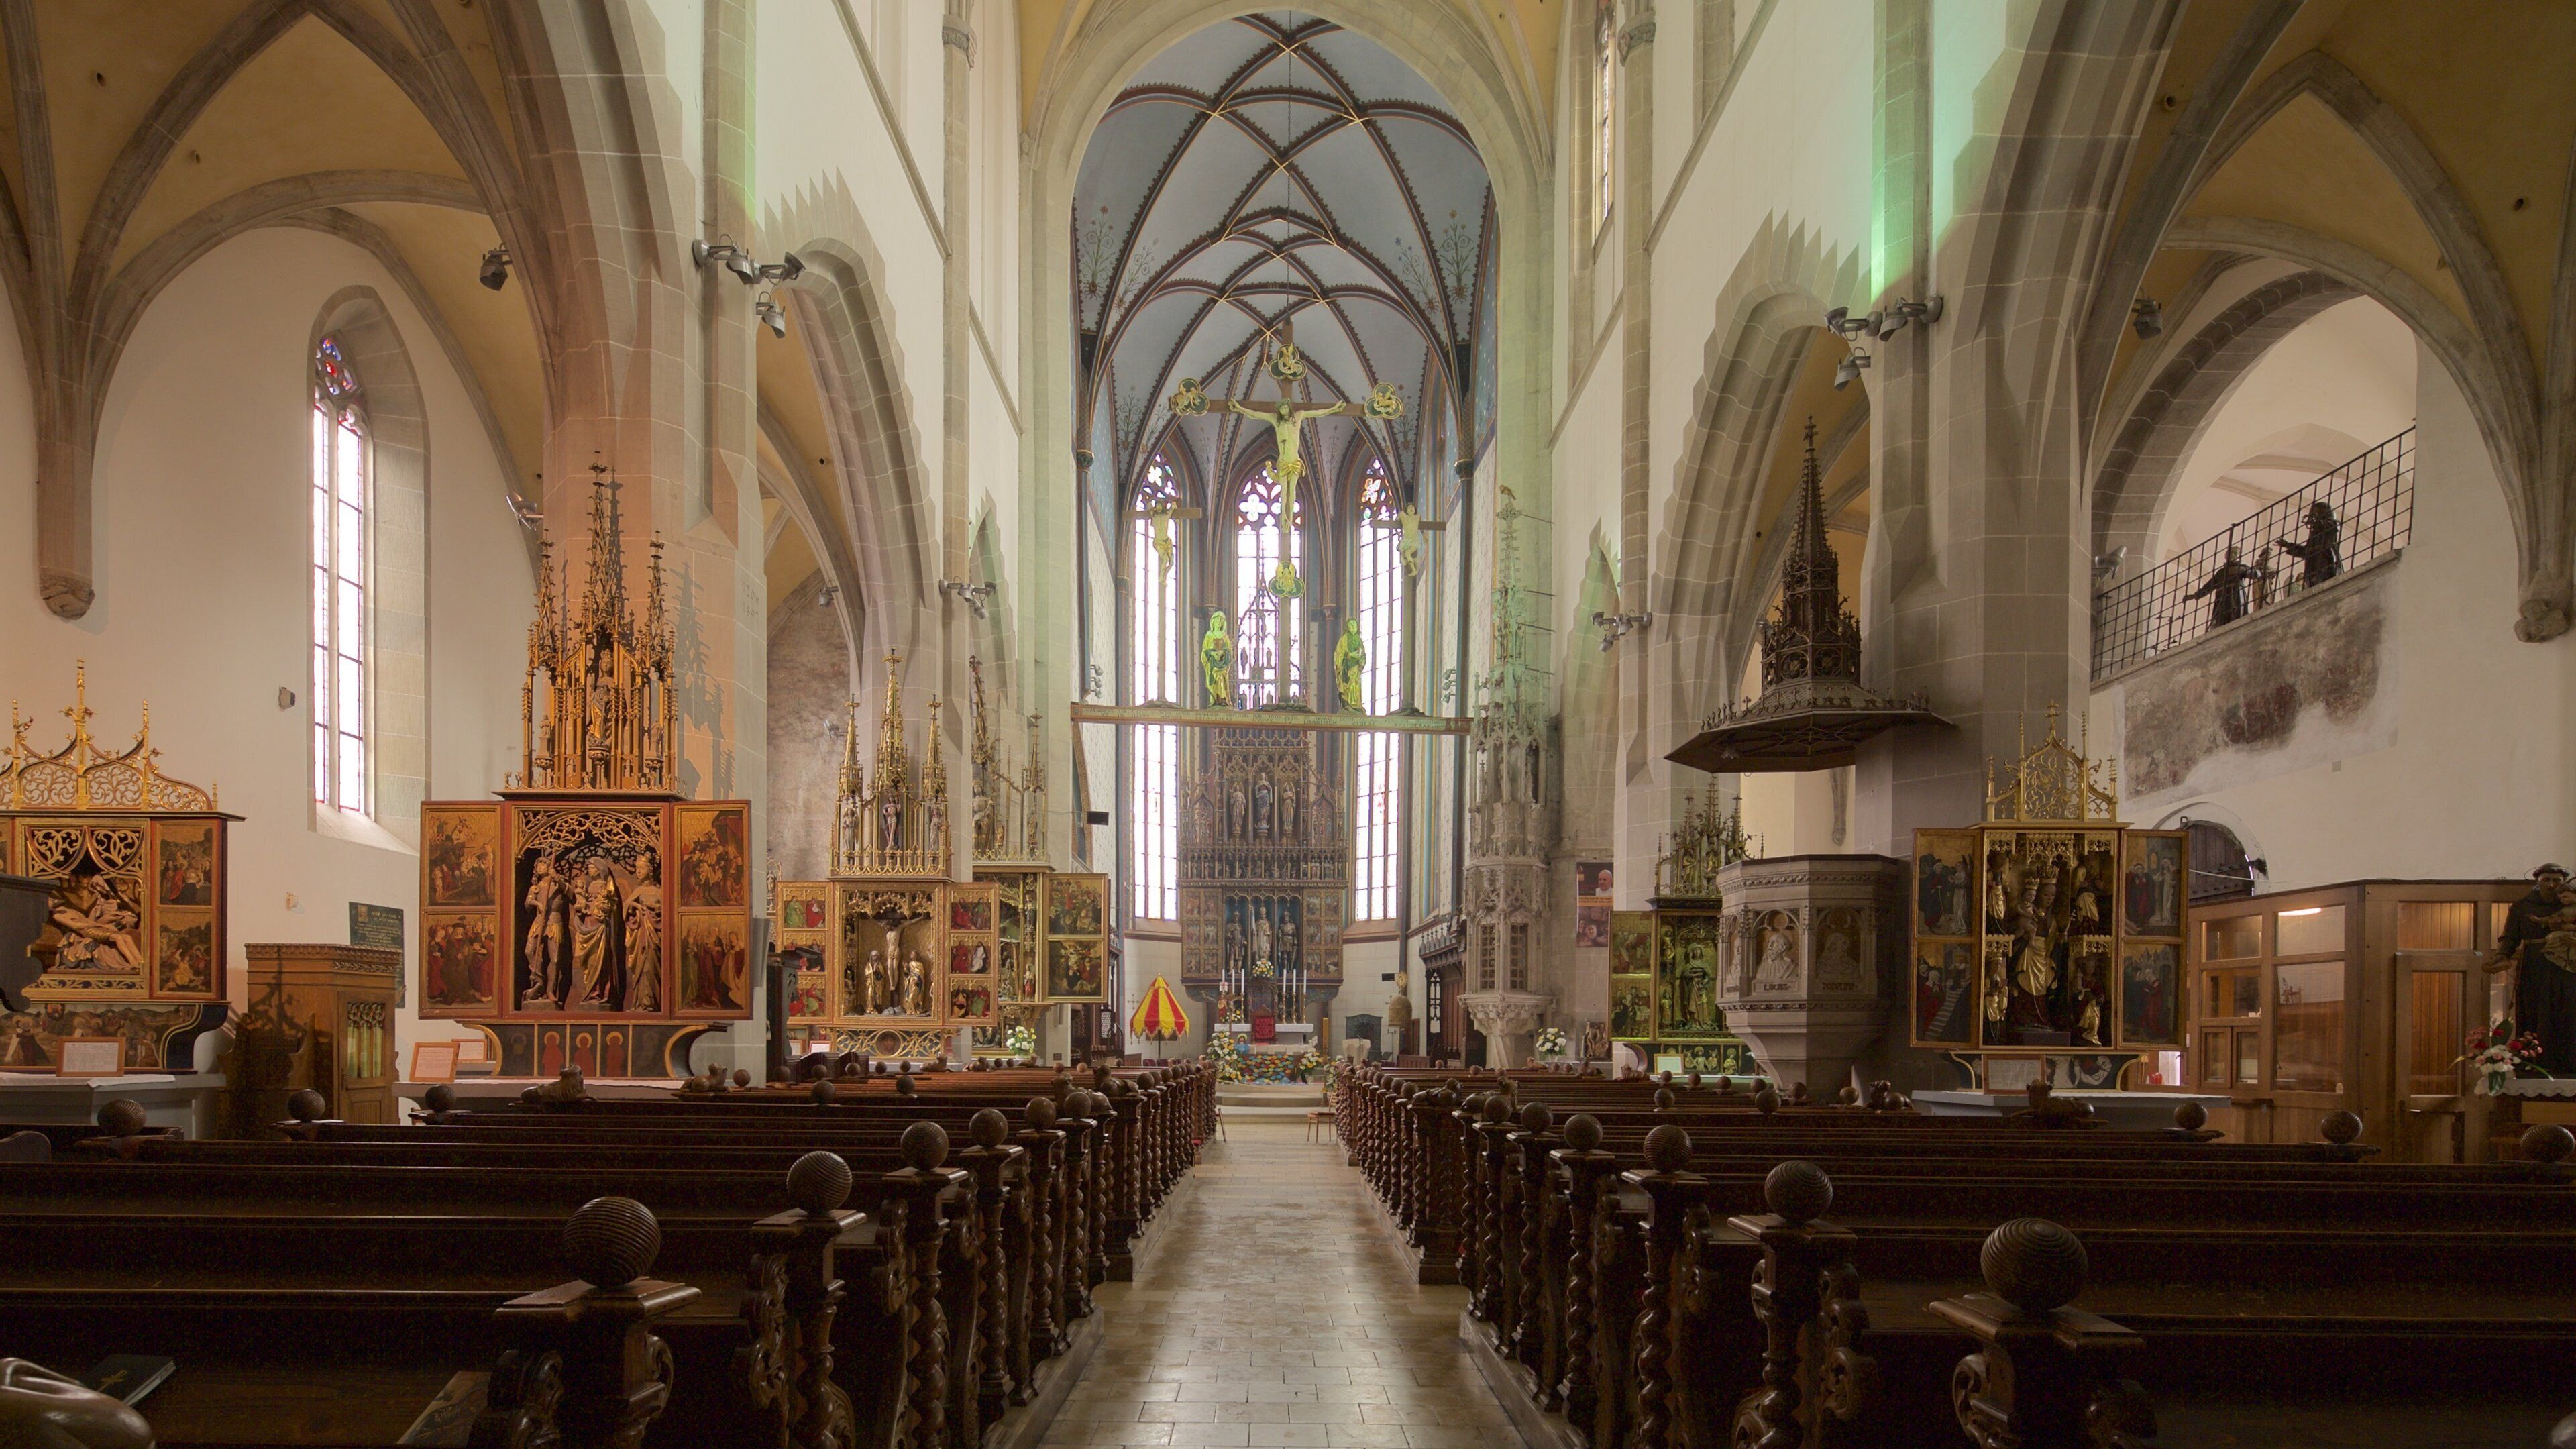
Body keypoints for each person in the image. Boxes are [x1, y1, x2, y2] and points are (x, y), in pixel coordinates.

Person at [2491, 863, 2576, 1074]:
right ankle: (2533, 1063)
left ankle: (2568, 1064)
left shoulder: (2572, 905)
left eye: (2556, 880)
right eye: (2546, 879)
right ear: (2538, 881)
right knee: (2535, 1010)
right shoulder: (2522, 907)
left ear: (2563, 883)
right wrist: (2502, 955)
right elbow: (2510, 937)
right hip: (2534, 965)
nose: (2551, 884)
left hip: (2566, 965)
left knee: (2567, 1011)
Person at [2186, 545, 2262, 629]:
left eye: (2235, 553)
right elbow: (2209, 586)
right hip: (2222, 597)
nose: (2232, 555)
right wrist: (2195, 595)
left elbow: (2257, 574)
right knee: (2221, 620)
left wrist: (2243, 570)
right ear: (2226, 556)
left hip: (2237, 595)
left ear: (2238, 556)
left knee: (2237, 617)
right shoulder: (2221, 572)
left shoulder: (2243, 567)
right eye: (2230, 553)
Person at [2273, 500, 2342, 588]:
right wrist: (2288, 545)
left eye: (2316, 513)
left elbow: (2327, 526)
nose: (2313, 517)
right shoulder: (2314, 534)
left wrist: (2315, 522)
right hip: (2312, 564)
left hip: (2326, 558)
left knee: (2327, 580)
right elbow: (2306, 552)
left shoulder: (2333, 523)